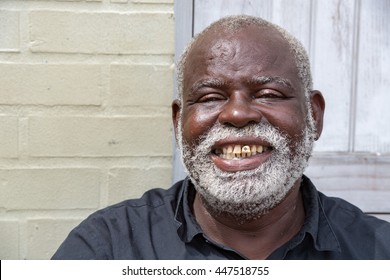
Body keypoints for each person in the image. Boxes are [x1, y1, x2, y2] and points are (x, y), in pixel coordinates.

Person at [52, 15, 390, 260]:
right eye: (210, 97)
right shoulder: (107, 248)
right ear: (178, 122)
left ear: (313, 116)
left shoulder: (376, 251)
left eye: (268, 93)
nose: (237, 114)